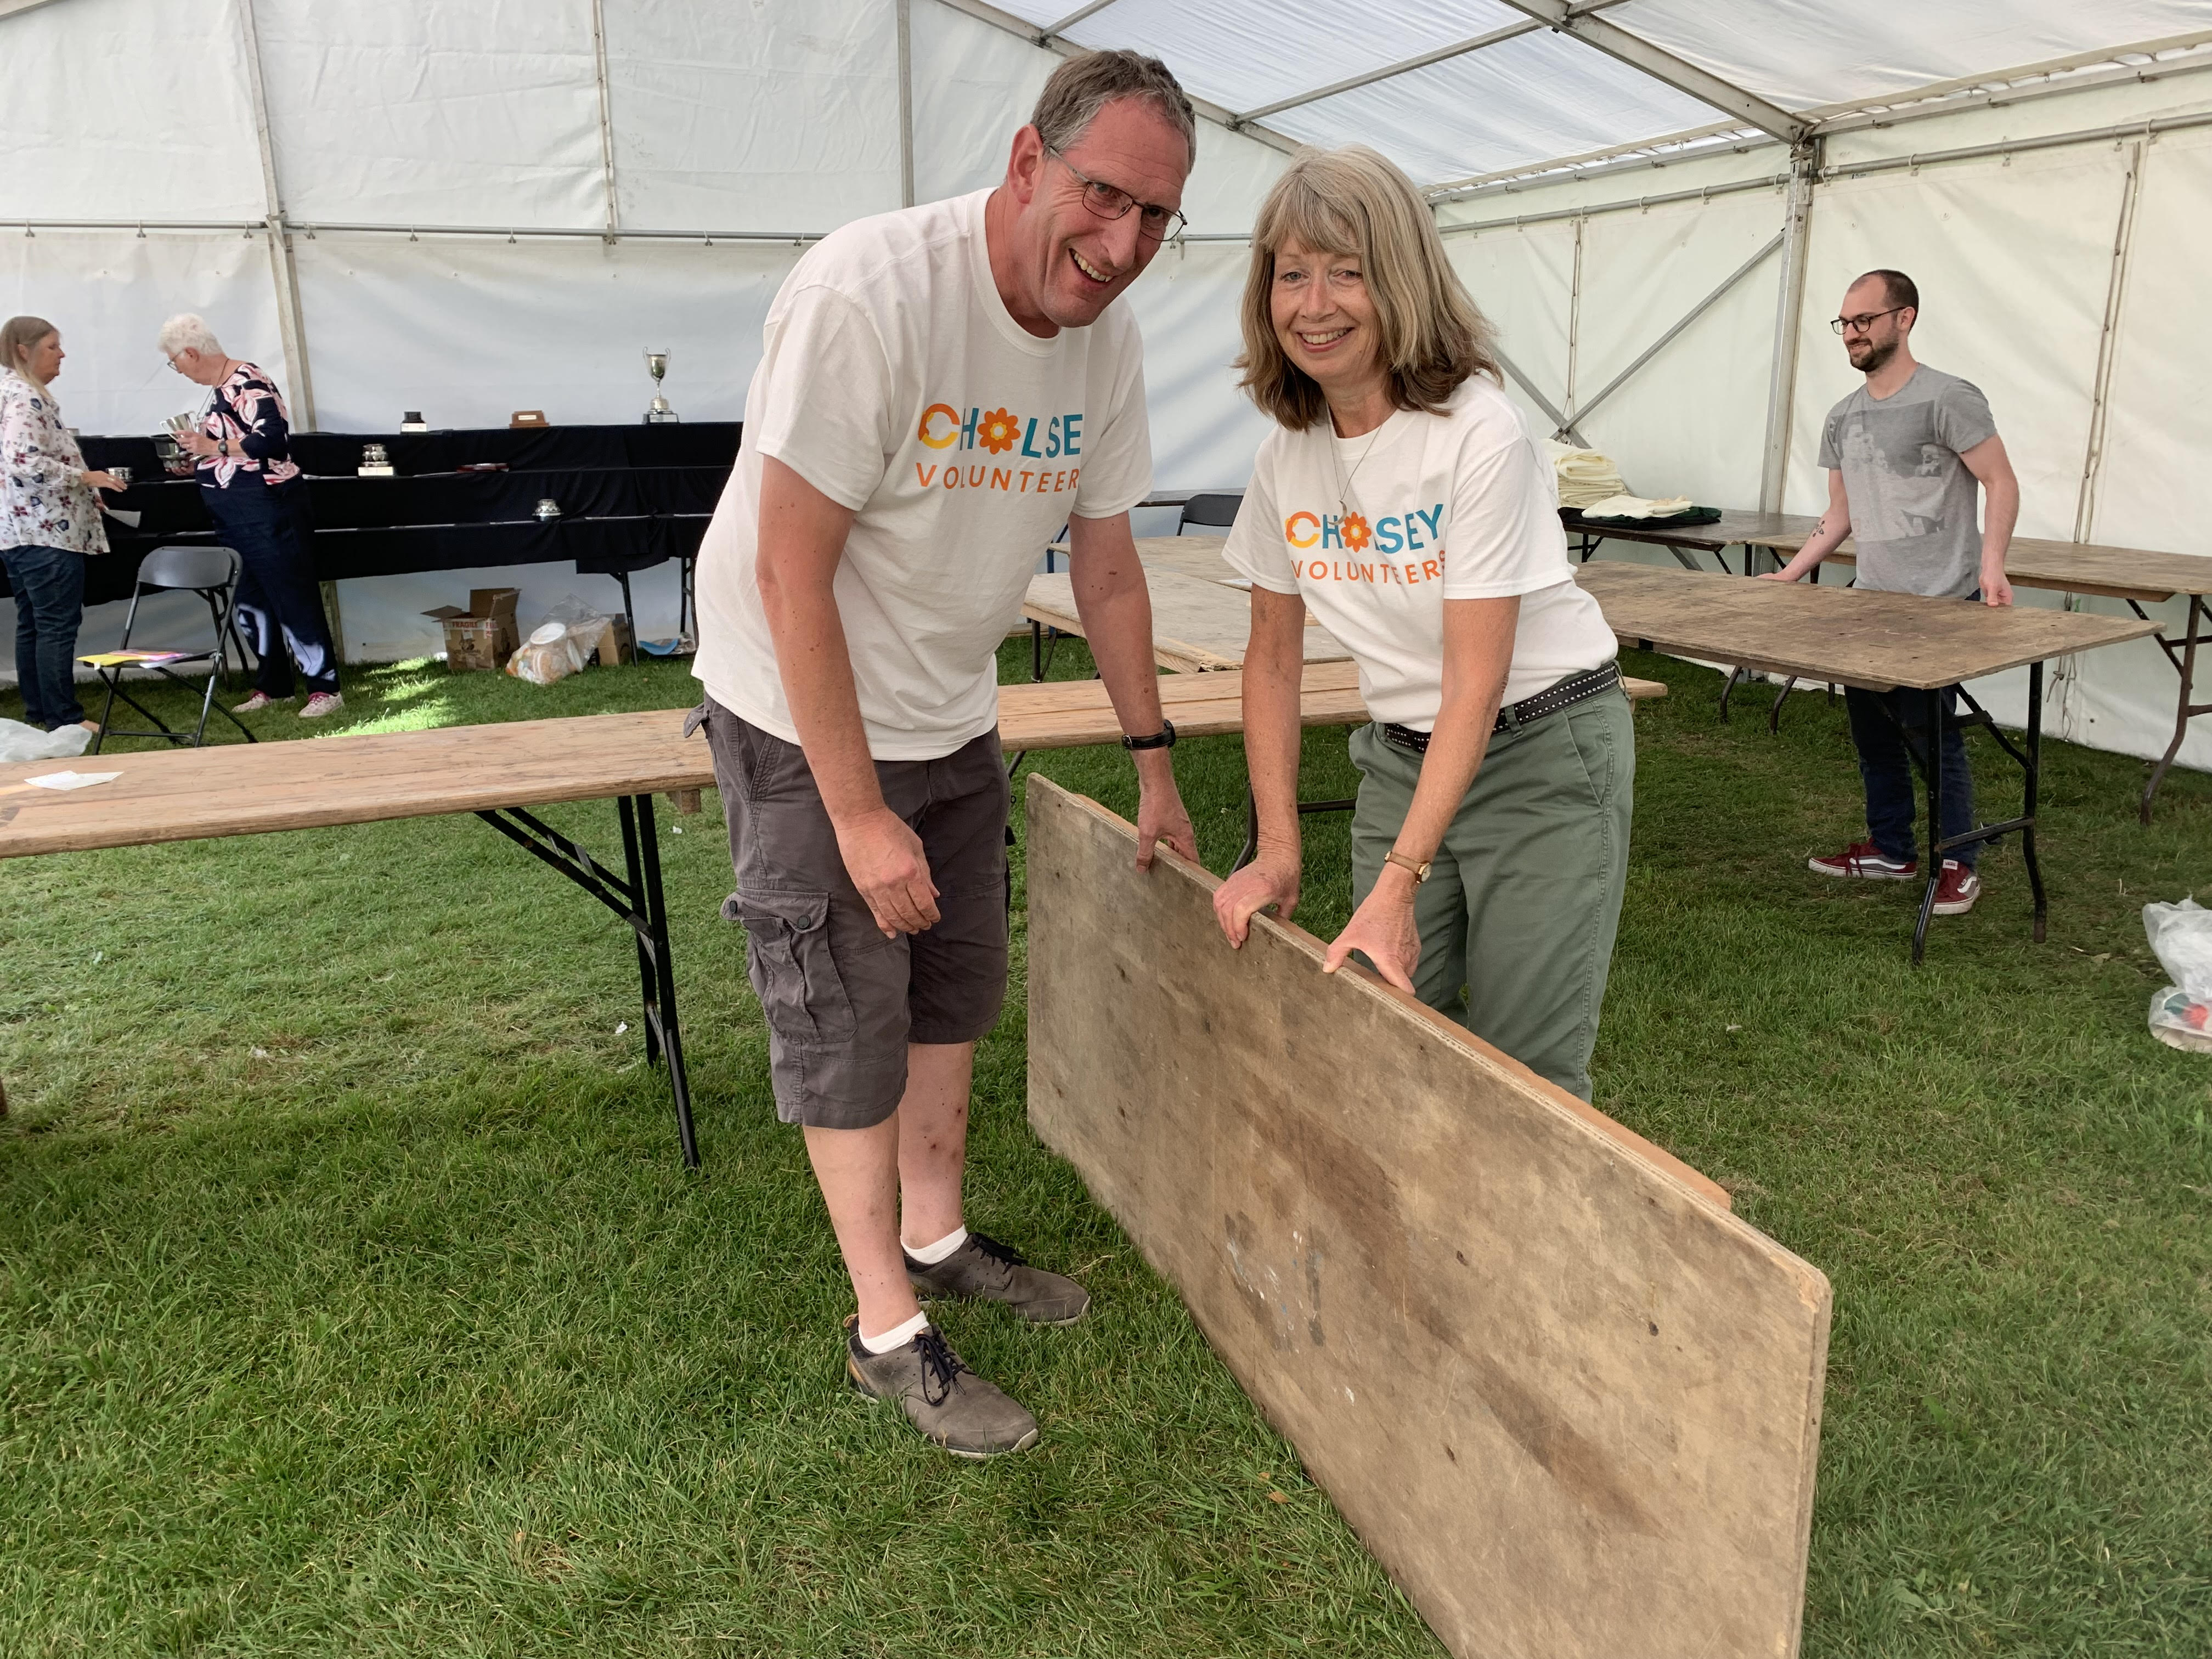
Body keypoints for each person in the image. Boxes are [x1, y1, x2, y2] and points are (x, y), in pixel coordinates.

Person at [689, 50, 1199, 1458]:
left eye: (1159, 217)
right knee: (848, 1013)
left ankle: (939, 1236)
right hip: (804, 707)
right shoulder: (873, 293)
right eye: (1104, 197)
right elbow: (795, 576)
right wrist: (854, 817)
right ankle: (885, 1331)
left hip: (951, 706)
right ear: (1028, 163)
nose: (1124, 245)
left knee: (951, 990)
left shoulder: (1107, 341)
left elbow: (1107, 573)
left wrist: (1155, 759)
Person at [1210, 146, 1633, 1104]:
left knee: (1523, 1072)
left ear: (1399, 280)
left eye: (1347, 271)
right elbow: (1271, 658)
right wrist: (1278, 848)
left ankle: (1519, 1254)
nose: (1313, 304)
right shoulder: (1287, 454)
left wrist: (1399, 881)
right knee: (1379, 1025)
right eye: (1291, 274)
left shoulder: (1478, 433)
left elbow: (1475, 683)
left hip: (1540, 751)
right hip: (1402, 756)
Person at [1759, 269, 2019, 918]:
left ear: (1903, 320)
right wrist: (1793, 573)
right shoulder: (1842, 416)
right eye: (1844, 323)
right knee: (1875, 736)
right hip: (1870, 601)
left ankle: (1959, 860)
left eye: (1864, 321)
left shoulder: (1949, 399)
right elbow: (1840, 513)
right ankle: (1893, 850)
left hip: (1942, 601)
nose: (1851, 334)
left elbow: (2002, 482)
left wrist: (1993, 566)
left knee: (1934, 738)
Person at [160, 314, 343, 719]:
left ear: (190, 353)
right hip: (232, 507)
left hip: (266, 503)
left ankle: (324, 688)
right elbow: (226, 448)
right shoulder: (217, 390)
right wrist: (197, 460)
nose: (178, 370)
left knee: (290, 593)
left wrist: (214, 448)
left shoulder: (248, 380)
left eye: (175, 362)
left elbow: (272, 441)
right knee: (251, 600)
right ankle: (273, 686)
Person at [2, 315, 123, 733]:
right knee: (54, 626)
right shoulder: (25, 399)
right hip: (46, 533)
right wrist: (85, 478)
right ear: (24, 350)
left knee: (33, 623)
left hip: (21, 532)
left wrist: (86, 493)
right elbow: (24, 462)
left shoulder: (11, 393)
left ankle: (40, 713)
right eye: (53, 346)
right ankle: (63, 717)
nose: (62, 354)